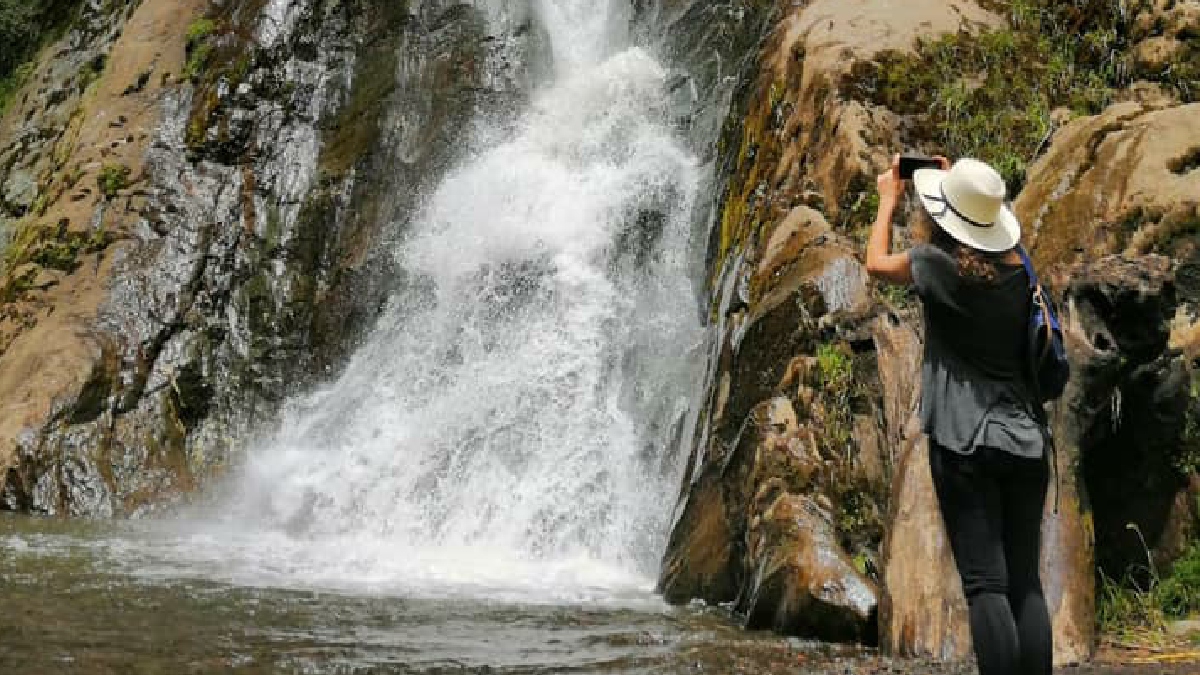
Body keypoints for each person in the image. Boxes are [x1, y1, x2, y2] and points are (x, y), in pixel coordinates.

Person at [864, 154, 1052, 675]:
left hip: (964, 441)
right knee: (1025, 583)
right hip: (1027, 441)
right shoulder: (1022, 267)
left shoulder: (935, 267)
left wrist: (887, 201)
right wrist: (961, 190)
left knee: (985, 584)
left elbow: (875, 262)